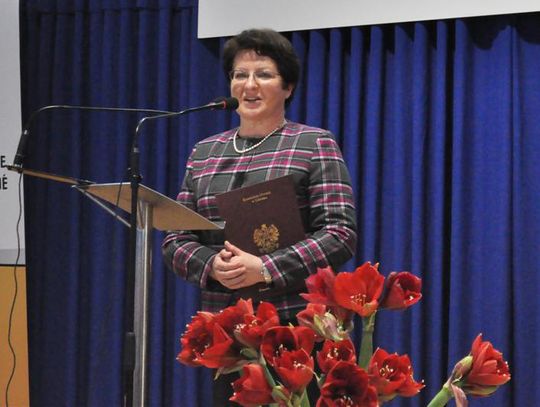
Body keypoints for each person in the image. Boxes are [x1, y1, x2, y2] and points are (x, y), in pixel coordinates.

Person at [162, 28, 357, 405]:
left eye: (263, 74)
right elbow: (175, 240)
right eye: (240, 74)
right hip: (229, 333)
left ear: (288, 87)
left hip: (297, 331)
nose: (249, 85)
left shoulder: (312, 143)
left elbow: (339, 233)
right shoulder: (205, 153)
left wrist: (266, 268)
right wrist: (213, 266)